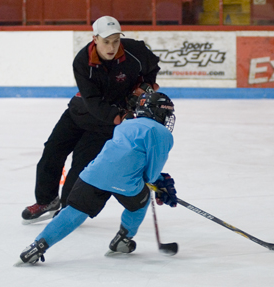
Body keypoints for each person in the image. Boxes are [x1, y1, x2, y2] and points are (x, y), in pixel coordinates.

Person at [21, 16, 161, 223]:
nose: (111, 46)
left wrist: (145, 88)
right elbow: (92, 100)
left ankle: (69, 209)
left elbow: (153, 68)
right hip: (80, 114)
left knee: (81, 165)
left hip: (103, 126)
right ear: (94, 38)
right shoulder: (82, 61)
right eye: (106, 41)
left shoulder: (135, 52)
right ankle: (46, 200)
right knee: (52, 151)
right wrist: (120, 117)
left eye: (115, 40)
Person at [17, 92, 178, 265]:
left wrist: (157, 181)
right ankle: (123, 240)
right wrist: (160, 185)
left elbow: (122, 157)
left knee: (73, 212)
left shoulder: (125, 125)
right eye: (166, 114)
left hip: (93, 173)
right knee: (140, 203)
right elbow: (150, 175)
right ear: (159, 112)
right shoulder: (162, 133)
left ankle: (37, 246)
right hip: (126, 183)